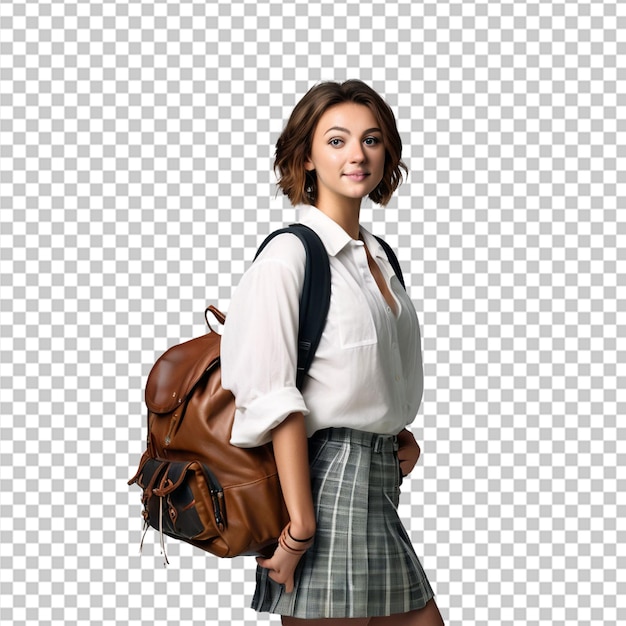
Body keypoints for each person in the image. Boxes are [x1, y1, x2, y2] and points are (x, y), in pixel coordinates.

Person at [221, 80, 444, 626]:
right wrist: (300, 525)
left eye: (371, 140)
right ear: (306, 156)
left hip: (376, 484)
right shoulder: (289, 257)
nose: (357, 155)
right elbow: (275, 397)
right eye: (337, 140)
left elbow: (361, 372)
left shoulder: (379, 258)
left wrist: (394, 432)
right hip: (321, 486)